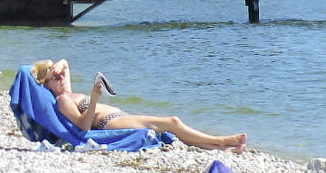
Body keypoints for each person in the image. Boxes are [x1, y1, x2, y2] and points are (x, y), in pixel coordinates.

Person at [31, 59, 246, 152]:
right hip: (108, 122)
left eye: (60, 74)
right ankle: (222, 139)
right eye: (55, 77)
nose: (60, 77)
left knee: (170, 128)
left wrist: (58, 65)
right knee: (172, 122)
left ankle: (223, 149)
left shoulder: (66, 90)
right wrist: (94, 98)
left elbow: (65, 63)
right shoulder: (62, 100)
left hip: (118, 116)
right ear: (47, 83)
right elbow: (83, 126)